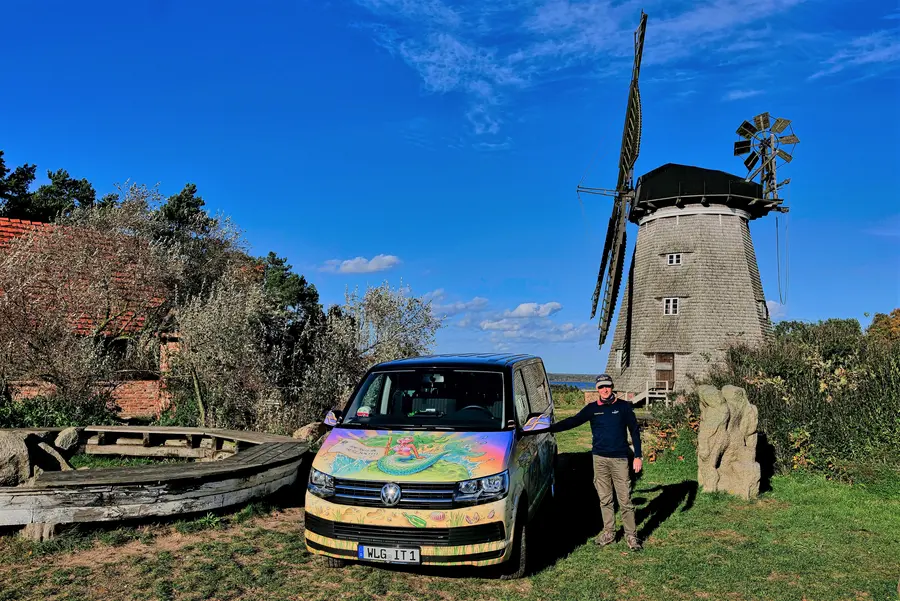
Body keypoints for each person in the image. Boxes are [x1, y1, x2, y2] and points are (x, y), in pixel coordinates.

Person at [537, 373, 643, 550]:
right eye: (601, 387)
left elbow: (634, 431)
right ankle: (609, 532)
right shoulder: (592, 408)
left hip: (619, 459)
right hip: (599, 459)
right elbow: (573, 421)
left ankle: (631, 536)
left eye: (607, 386)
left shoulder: (623, 407)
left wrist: (637, 456)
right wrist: (547, 428)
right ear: (597, 389)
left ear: (612, 386)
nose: (605, 390)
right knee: (605, 499)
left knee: (625, 499)